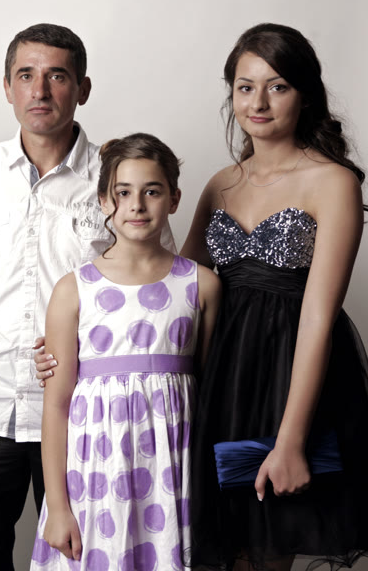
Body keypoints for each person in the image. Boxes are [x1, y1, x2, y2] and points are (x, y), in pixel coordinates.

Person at [181, 23, 368, 570]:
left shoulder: (332, 181)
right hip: (222, 376)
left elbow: (318, 317)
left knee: (269, 548)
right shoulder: (220, 183)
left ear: (305, 94)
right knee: (221, 550)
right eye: (245, 87)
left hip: (289, 375)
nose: (258, 102)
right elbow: (178, 287)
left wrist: (290, 439)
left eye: (277, 86)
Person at [0, 23, 115, 570]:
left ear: (82, 88)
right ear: (7, 87)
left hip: (81, 409)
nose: (39, 90)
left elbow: (147, 281)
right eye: (26, 76)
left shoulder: (115, 176)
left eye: (57, 76)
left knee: (80, 560)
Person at [31, 133, 221, 571]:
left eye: (152, 191)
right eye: (123, 193)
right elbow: (56, 406)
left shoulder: (201, 285)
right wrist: (58, 506)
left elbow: (209, 388)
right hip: (96, 473)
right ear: (103, 201)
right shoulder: (73, 290)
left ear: (174, 199)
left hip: (172, 473)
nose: (137, 205)